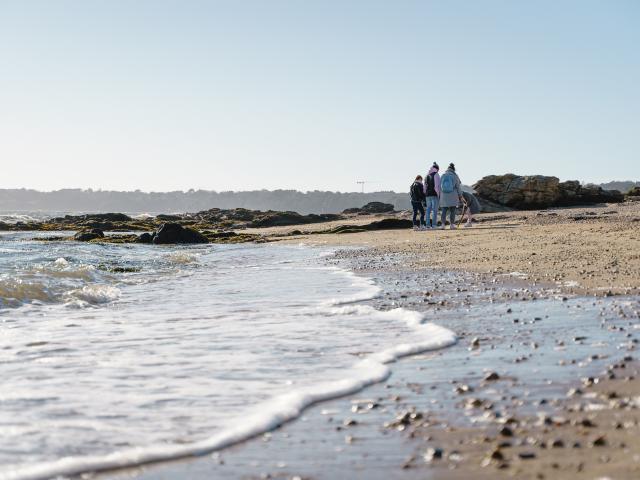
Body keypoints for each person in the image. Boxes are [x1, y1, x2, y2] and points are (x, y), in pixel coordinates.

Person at [439, 163, 463, 229]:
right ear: (453, 169)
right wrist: (460, 196)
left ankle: (443, 225)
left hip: (444, 196)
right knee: (452, 211)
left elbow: (439, 187)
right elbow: (458, 187)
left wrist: (440, 195)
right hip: (453, 196)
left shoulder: (443, 175)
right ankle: (452, 225)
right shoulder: (455, 176)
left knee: (444, 211)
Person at [423, 162, 440, 229]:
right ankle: (434, 225)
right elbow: (436, 187)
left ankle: (427, 225)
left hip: (427, 196)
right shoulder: (436, 174)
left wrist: (426, 194)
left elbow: (424, 188)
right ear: (437, 169)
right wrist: (438, 195)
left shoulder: (426, 176)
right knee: (435, 210)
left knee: (428, 210)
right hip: (434, 195)